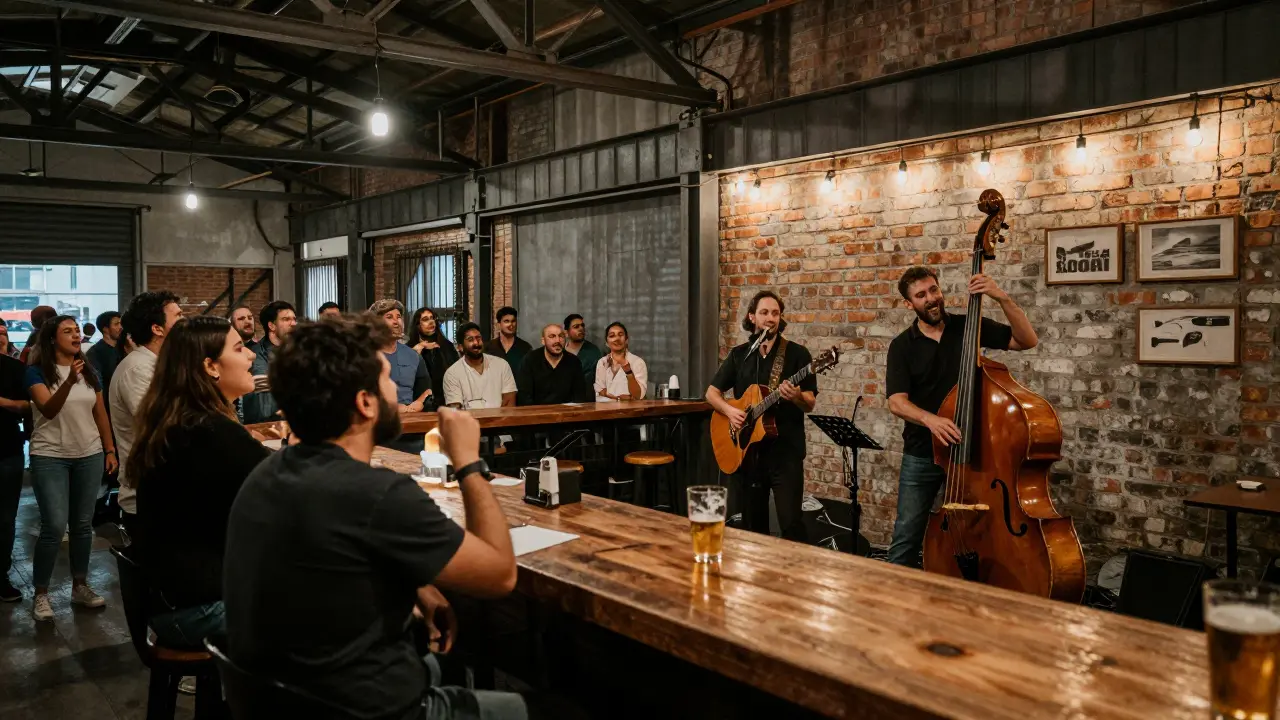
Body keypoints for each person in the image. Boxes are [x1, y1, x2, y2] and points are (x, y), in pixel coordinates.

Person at [223, 315, 541, 720]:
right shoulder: (376, 494)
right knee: (536, 709)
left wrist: (416, 590)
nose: (396, 389)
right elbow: (499, 575)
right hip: (366, 708)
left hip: (281, 700)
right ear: (365, 402)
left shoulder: (267, 475)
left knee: (436, 663)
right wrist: (467, 461)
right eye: (388, 378)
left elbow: (332, 571)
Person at [885, 267, 1038, 567]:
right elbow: (896, 402)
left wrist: (1001, 297)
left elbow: (1027, 340)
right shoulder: (902, 346)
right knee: (906, 537)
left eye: (933, 290)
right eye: (921, 295)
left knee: (985, 530)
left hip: (973, 452)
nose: (931, 299)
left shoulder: (969, 326)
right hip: (922, 453)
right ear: (909, 304)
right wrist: (932, 420)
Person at [131, 316, 266, 648]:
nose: (250, 356)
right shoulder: (210, 432)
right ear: (211, 366)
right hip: (198, 608)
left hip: (174, 600)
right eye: (239, 349)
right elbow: (290, 493)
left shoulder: (184, 421)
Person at [25, 316, 118, 621]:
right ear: (52, 339)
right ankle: (41, 594)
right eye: (67, 331)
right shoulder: (36, 371)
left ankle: (80, 585)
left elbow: (100, 412)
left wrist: (109, 448)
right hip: (50, 455)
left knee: (82, 525)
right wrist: (67, 381)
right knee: (53, 525)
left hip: (88, 454)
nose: (76, 335)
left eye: (77, 330)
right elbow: (49, 409)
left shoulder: (88, 371)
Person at [706, 290, 817, 543]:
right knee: (753, 530)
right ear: (752, 317)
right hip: (748, 454)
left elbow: (810, 402)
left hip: (785, 454)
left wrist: (797, 396)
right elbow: (711, 393)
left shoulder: (797, 354)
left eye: (776, 313)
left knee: (791, 525)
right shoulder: (740, 355)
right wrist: (730, 411)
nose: (771, 318)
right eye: (764, 312)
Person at [111, 291, 184, 527]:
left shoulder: (161, 365)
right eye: (178, 315)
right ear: (157, 329)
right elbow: (165, 425)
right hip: (147, 496)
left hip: (167, 489)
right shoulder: (138, 369)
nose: (185, 322)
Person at [0, 326, 28, 602]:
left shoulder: (13, 368)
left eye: (3, 334)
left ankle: (1, 576)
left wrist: (3, 402)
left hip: (8, 450)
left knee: (6, 519)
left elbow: (28, 405)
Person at [370, 299, 433, 413]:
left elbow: (426, 392)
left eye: (398, 317)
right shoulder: (365, 356)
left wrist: (419, 403)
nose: (396, 321)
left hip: (411, 419)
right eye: (389, 317)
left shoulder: (414, 356)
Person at [241, 300, 296, 424]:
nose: (293, 323)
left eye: (294, 319)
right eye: (286, 319)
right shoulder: (254, 356)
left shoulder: (299, 352)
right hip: (265, 428)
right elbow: (264, 411)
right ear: (271, 326)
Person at [442, 323, 517, 410]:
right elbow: (455, 411)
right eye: (470, 339)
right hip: (468, 423)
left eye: (478, 338)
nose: (476, 343)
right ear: (460, 347)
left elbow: (509, 402)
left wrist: (496, 422)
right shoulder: (452, 374)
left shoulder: (501, 365)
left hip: (500, 422)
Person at [516, 324, 590, 406]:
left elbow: (579, 396)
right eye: (552, 336)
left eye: (561, 336)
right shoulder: (530, 360)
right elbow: (524, 396)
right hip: (537, 413)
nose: (557, 340)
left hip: (567, 414)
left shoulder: (573, 361)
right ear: (543, 341)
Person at [409, 308, 458, 406]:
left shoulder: (446, 345)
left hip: (445, 399)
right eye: (425, 319)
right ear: (418, 325)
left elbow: (456, 370)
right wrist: (418, 350)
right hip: (419, 401)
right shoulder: (410, 347)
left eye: (432, 318)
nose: (431, 322)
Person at [594, 322, 647, 401]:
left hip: (630, 411)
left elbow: (638, 396)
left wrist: (628, 371)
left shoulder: (637, 362)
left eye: (620, 335)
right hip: (604, 410)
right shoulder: (602, 362)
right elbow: (600, 391)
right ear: (607, 343)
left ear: (626, 340)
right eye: (612, 336)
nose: (617, 339)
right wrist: (619, 398)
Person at [85, 311, 123, 404]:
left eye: (121, 324)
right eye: (116, 324)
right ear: (105, 329)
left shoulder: (124, 348)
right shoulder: (95, 352)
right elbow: (97, 385)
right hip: (108, 404)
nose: (121, 327)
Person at [484, 306, 532, 378]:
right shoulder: (488, 347)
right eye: (506, 321)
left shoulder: (525, 347)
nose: (511, 325)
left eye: (513, 321)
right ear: (499, 324)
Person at [563, 314, 602, 387]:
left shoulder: (593, 351)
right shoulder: (559, 351)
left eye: (582, 325)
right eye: (576, 327)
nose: (581, 328)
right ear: (566, 333)